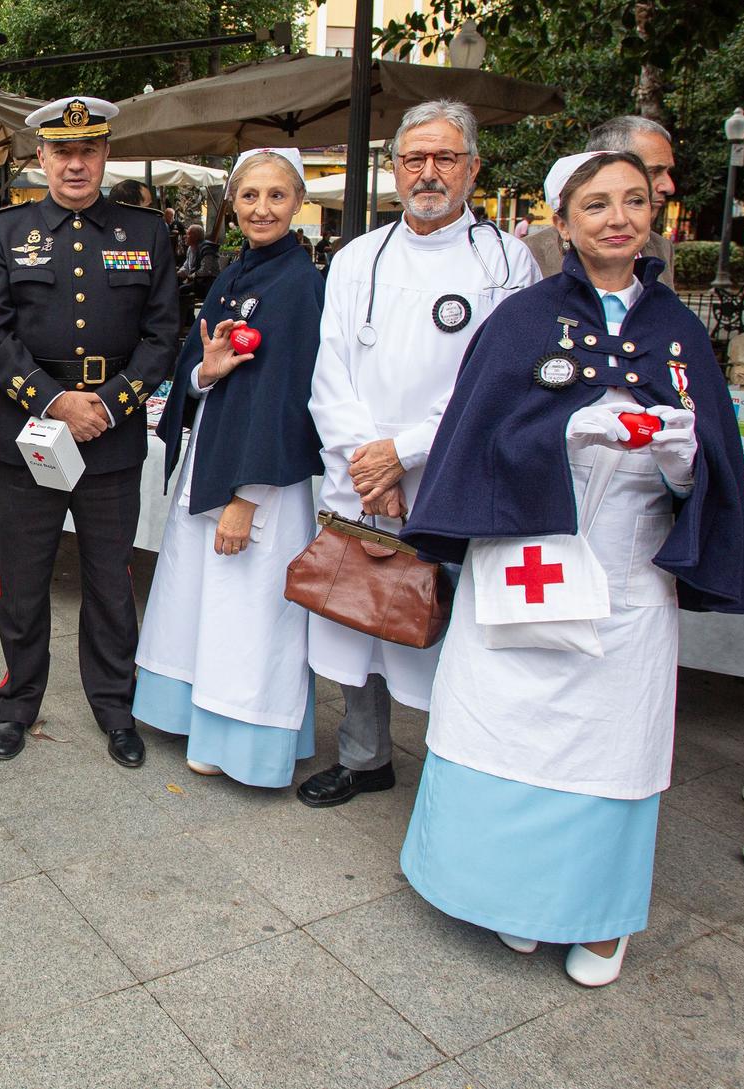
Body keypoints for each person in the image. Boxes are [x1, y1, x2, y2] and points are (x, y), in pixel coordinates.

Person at [398, 149, 744, 987]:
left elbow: (717, 467)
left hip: (628, 572)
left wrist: (679, 459)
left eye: (634, 201)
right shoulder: (521, 321)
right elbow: (475, 441)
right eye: (596, 205)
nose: (617, 218)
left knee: (608, 740)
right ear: (564, 223)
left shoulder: (679, 331)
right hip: (525, 552)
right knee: (505, 722)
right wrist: (562, 437)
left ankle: (593, 914)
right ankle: (508, 896)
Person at [301, 98, 539, 808]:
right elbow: (330, 371)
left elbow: (496, 385)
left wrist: (403, 454)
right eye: (414, 159)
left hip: (449, 476)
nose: (428, 173)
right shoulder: (356, 257)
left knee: (448, 631)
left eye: (445, 158)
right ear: (394, 168)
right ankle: (364, 755)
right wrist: (367, 464)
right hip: (363, 479)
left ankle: (454, 771)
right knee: (357, 616)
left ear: (473, 167)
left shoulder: (506, 261)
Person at [0, 96, 178, 769]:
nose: (76, 163)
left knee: (110, 579)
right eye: (62, 151)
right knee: (24, 579)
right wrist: (57, 400)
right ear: (42, 159)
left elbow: (163, 334)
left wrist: (112, 403)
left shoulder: (146, 232)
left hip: (112, 433)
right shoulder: (5, 232)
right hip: (29, 428)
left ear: (106, 155)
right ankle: (19, 700)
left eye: (88, 150)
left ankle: (115, 705)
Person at [134, 148, 323, 786]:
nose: (261, 208)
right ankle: (198, 715)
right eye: (249, 196)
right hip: (214, 449)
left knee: (249, 612)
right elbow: (198, 365)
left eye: (275, 196)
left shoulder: (300, 284)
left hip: (258, 475)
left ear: (297, 203)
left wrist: (249, 498)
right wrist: (203, 373)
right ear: (232, 204)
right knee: (204, 598)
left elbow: (292, 399)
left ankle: (243, 740)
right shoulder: (234, 273)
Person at [527, 116, 677, 288]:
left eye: (635, 200)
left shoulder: (661, 247)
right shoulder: (527, 254)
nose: (669, 186)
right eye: (654, 171)